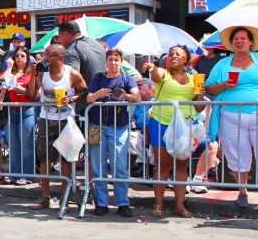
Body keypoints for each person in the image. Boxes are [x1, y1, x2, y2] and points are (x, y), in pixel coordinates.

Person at [205, 26, 258, 210]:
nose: (239, 41)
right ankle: (242, 192)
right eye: (236, 39)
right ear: (231, 43)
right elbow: (209, 88)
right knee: (236, 155)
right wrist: (224, 85)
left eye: (243, 38)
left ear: (251, 42)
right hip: (231, 117)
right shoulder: (222, 64)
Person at [141, 45, 205, 218]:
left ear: (186, 60)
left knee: (182, 164)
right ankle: (158, 204)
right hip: (162, 122)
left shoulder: (194, 79)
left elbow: (199, 108)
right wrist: (152, 68)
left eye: (178, 54)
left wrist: (200, 94)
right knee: (163, 165)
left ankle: (179, 206)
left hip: (186, 125)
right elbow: (155, 75)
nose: (174, 56)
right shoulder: (163, 73)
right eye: (171, 54)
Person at [26, 43, 88, 211]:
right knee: (45, 159)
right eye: (45, 55)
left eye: (49, 55)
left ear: (60, 58)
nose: (45, 58)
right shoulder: (42, 73)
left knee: (66, 159)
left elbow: (84, 90)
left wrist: (72, 99)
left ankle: (64, 199)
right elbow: (31, 94)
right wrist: (32, 76)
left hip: (65, 120)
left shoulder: (72, 73)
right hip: (46, 118)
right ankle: (45, 197)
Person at [85, 47, 141, 217]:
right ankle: (101, 203)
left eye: (116, 59)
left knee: (120, 165)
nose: (113, 63)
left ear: (121, 61)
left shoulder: (126, 78)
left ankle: (122, 202)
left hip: (119, 126)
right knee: (98, 165)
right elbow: (88, 98)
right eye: (110, 60)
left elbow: (137, 97)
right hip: (96, 126)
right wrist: (98, 94)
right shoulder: (98, 78)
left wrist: (124, 96)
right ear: (106, 62)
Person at [0, 45, 36, 186]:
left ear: (27, 58)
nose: (19, 58)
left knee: (27, 144)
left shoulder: (31, 73)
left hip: (26, 110)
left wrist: (22, 90)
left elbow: (35, 94)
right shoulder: (10, 71)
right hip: (11, 110)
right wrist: (9, 68)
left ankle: (28, 175)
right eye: (17, 55)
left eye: (22, 56)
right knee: (13, 145)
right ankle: (14, 174)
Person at [57, 20, 106, 114]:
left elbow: (69, 80)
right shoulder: (96, 43)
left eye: (59, 36)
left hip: (85, 105)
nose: (59, 40)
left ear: (66, 34)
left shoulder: (71, 50)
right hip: (104, 100)